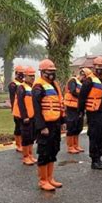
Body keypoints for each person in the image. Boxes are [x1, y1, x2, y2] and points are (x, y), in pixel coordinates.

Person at [32, 59, 65, 191]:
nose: (52, 73)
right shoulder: (38, 86)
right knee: (44, 152)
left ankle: (50, 178)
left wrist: (62, 121)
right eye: (49, 71)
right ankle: (43, 180)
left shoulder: (54, 85)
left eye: (53, 71)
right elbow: (37, 108)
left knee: (53, 150)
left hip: (55, 123)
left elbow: (59, 104)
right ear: (42, 72)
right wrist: (41, 127)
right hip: (45, 125)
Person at [78, 56, 102, 170]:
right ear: (94, 67)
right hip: (94, 112)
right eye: (99, 67)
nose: (101, 69)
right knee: (94, 135)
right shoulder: (89, 80)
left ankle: (99, 157)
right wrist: (81, 112)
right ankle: (94, 160)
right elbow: (82, 97)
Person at [64, 68, 92, 154]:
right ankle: (70, 146)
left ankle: (76, 145)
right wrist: (83, 95)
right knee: (71, 127)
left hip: (79, 107)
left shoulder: (82, 84)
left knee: (78, 127)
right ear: (84, 75)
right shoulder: (73, 80)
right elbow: (73, 91)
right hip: (71, 107)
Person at [13, 66, 37, 165]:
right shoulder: (21, 87)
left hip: (32, 116)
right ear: (25, 76)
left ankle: (30, 155)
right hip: (24, 117)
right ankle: (25, 156)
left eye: (33, 76)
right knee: (26, 137)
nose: (32, 78)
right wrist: (25, 116)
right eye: (30, 76)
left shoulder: (33, 87)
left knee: (31, 136)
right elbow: (21, 103)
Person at [8, 65, 26, 152]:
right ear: (16, 74)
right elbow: (12, 98)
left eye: (23, 74)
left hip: (24, 109)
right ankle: (18, 144)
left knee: (24, 127)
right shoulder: (13, 84)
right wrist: (13, 108)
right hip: (16, 108)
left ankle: (23, 143)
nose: (22, 76)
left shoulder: (24, 84)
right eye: (20, 74)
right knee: (18, 127)